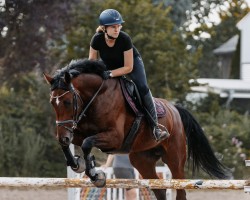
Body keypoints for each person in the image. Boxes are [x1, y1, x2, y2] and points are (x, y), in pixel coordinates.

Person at [88, 9, 169, 141]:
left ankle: (155, 127)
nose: (117, 29)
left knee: (142, 86)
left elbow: (128, 67)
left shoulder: (124, 39)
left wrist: (109, 73)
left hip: (131, 63)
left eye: (118, 26)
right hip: (109, 63)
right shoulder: (96, 39)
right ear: (104, 28)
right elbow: (91, 62)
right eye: (113, 27)